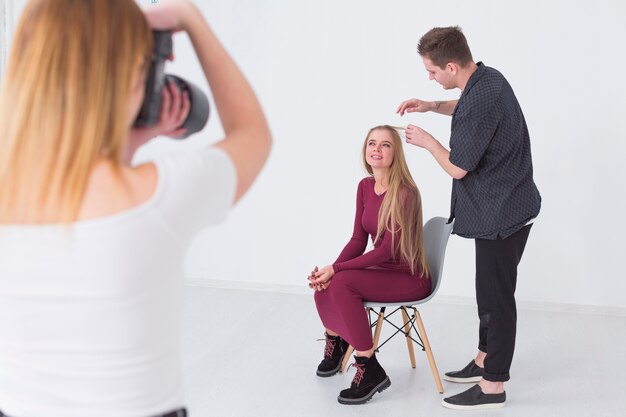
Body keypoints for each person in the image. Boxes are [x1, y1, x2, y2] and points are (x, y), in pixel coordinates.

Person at [0, 0, 271, 415]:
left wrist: (123, 146)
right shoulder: (160, 196)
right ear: (133, 75)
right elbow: (252, 133)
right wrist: (192, 20)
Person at [396, 26, 541, 410]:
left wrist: (428, 142)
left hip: (503, 212)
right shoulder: (486, 80)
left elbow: (458, 167)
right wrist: (430, 105)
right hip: (502, 206)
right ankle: (483, 359)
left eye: (431, 71)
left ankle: (494, 385)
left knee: (497, 297)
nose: (429, 76)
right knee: (486, 290)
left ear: (450, 65)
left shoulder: (483, 96)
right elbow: (464, 106)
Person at [308, 125, 431, 405]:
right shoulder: (365, 186)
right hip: (382, 270)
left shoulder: (405, 192)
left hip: (408, 276)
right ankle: (337, 341)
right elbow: (357, 239)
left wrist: (337, 271)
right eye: (372, 143)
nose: (376, 149)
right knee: (324, 287)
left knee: (342, 281)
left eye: (385, 145)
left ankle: (368, 366)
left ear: (395, 153)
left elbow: (387, 251)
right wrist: (330, 270)